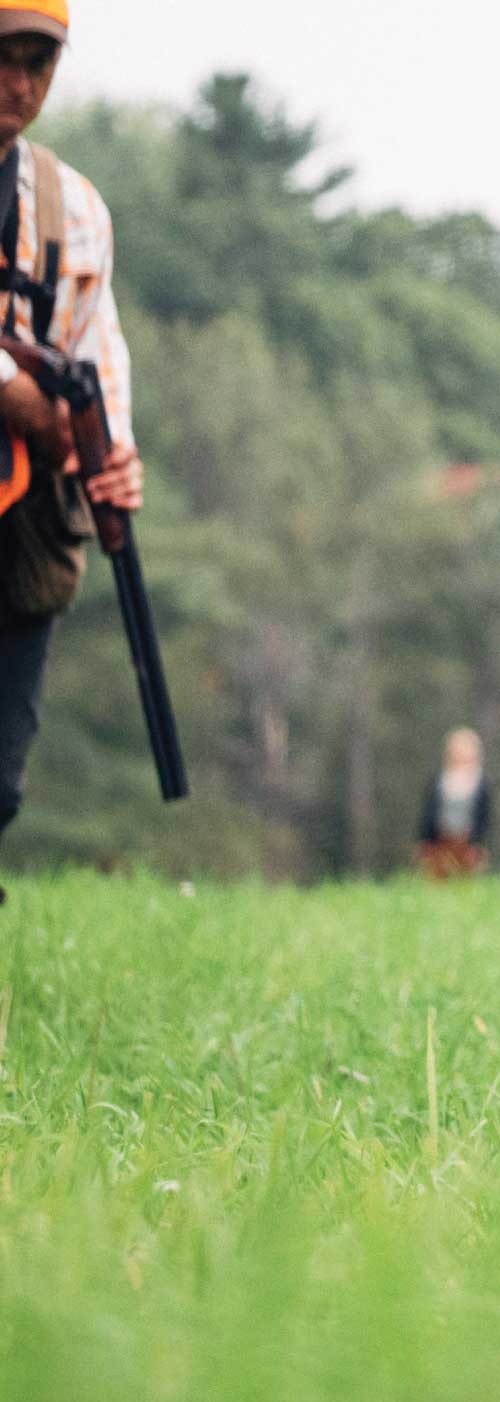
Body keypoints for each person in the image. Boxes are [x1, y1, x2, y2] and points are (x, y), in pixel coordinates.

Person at [0, 2, 144, 866]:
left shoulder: (75, 208)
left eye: (36, 62)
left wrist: (115, 459)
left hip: (23, 530)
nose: (18, 83)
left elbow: (100, 357)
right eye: (1, 57)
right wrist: (14, 392)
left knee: (1, 786)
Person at [416, 728, 492, 879]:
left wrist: (479, 844)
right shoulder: (440, 780)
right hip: (441, 841)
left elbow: (484, 817)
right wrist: (425, 841)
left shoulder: (480, 782)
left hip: (467, 843)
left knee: (465, 884)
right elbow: (429, 813)